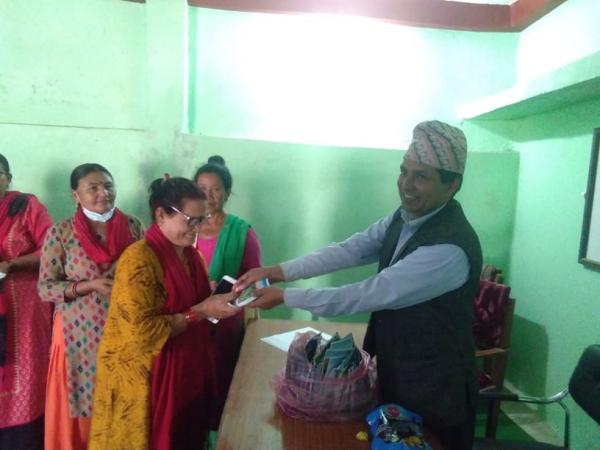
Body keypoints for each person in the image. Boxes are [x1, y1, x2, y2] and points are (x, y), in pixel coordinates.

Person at [238, 121, 483, 450]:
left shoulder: (449, 249)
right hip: (398, 373)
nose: (406, 185)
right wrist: (279, 270)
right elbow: (350, 250)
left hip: (435, 390)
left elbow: (369, 294)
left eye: (421, 176)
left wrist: (286, 296)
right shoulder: (404, 217)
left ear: (452, 185)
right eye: (404, 171)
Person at [89, 176, 240, 450]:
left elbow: (196, 305)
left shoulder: (192, 256)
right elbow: (140, 333)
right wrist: (199, 312)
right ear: (161, 215)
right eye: (190, 220)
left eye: (202, 220)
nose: (197, 229)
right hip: (147, 375)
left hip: (185, 369)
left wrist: (216, 302)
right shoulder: (139, 259)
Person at [38, 163, 144, 450]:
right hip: (76, 335)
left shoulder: (134, 226)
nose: (103, 193)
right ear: (76, 195)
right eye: (93, 188)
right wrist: (89, 286)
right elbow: (46, 288)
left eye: (108, 186)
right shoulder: (61, 233)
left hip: (123, 330)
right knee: (78, 409)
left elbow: (146, 273)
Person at [193, 155, 262, 430]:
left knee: (221, 387)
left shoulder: (242, 232)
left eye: (216, 189)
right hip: (187, 321)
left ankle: (220, 438)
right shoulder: (183, 226)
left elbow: (255, 284)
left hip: (224, 325)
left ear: (227, 193)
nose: (208, 196)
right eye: (201, 188)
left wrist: (229, 293)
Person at [0, 154, 53, 450]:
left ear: (8, 178)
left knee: (27, 374)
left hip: (25, 309)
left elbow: (52, 250)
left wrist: (12, 264)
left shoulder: (26, 206)